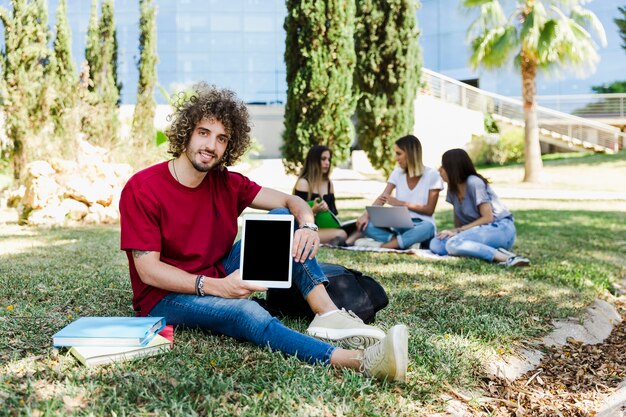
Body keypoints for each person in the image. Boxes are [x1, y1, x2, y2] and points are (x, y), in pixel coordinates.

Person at [119, 82, 408, 382]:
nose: (210, 146)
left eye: (222, 138)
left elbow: (291, 201)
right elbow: (148, 271)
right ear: (187, 132)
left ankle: (327, 313)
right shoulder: (143, 188)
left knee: (284, 218)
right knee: (246, 312)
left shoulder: (226, 182)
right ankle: (360, 362)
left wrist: (308, 226)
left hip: (218, 270)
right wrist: (218, 288)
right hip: (164, 296)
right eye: (203, 133)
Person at [429, 148, 530, 266]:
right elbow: (459, 225)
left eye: (443, 166)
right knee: (436, 244)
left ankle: (507, 258)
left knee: (453, 244)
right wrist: (453, 232)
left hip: (500, 228)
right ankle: (487, 250)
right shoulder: (452, 189)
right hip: (477, 232)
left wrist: (458, 231)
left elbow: (488, 218)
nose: (439, 170)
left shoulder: (474, 182)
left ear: (453, 168)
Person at [354, 135, 443, 250]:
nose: (395, 158)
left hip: (421, 225)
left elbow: (429, 210)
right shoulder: (397, 173)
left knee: (429, 227)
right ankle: (405, 242)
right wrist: (365, 215)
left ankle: (385, 246)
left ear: (410, 154)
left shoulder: (432, 175)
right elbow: (383, 197)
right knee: (366, 225)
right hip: (400, 225)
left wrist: (400, 203)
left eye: (399, 153)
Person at [293, 145, 347, 246]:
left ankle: (340, 242)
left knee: (358, 228)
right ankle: (341, 242)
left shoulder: (329, 183)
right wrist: (314, 210)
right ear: (313, 161)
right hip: (307, 229)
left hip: (326, 229)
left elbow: (333, 212)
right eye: (323, 159)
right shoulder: (304, 183)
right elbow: (296, 216)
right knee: (342, 234)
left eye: (329, 159)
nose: (327, 163)